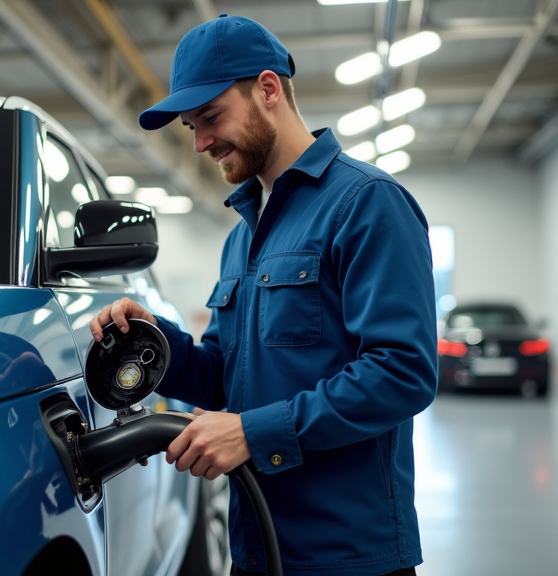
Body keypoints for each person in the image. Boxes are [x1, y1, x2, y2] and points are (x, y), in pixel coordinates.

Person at [89, 14, 437, 576]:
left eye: (210, 117)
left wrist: (253, 433)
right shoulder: (241, 236)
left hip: (347, 557)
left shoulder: (367, 204)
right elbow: (226, 375)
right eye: (190, 126)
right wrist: (156, 340)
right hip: (255, 546)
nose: (200, 142)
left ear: (268, 89)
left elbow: (403, 372)